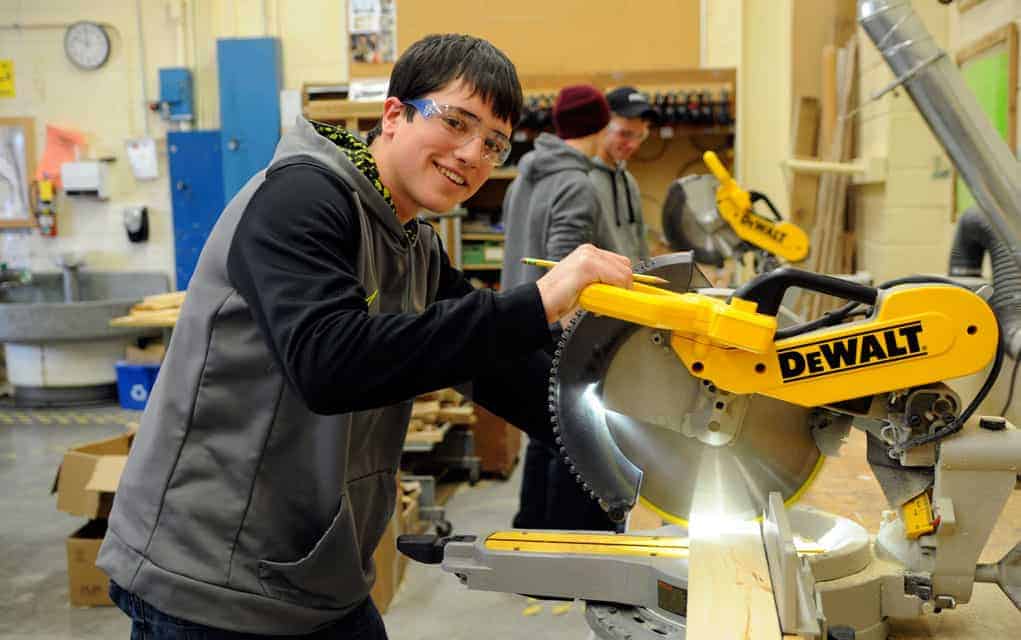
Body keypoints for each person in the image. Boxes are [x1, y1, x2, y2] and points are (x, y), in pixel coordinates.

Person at [97, 34, 633, 639]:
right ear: (395, 114)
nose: (471, 154)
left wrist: (637, 432)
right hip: (210, 579)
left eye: (492, 143)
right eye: (456, 122)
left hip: (314, 569)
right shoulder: (299, 199)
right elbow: (330, 364)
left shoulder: (412, 243)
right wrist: (538, 303)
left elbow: (504, 371)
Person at [501, 85, 620, 533]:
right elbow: (564, 271)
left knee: (543, 435)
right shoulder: (576, 184)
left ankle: (531, 530)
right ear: (601, 125)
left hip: (520, 323)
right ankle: (569, 546)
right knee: (577, 439)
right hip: (558, 331)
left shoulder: (526, 175)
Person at [589, 86, 656, 264]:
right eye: (625, 134)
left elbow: (641, 246)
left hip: (630, 289)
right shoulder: (584, 181)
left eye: (640, 136)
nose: (633, 145)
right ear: (603, 126)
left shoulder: (629, 182)